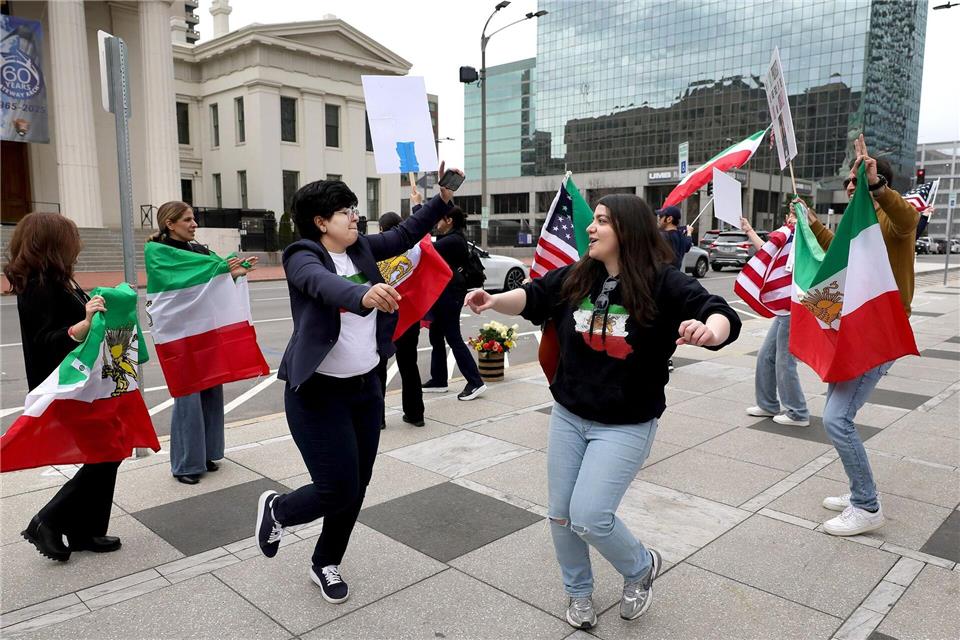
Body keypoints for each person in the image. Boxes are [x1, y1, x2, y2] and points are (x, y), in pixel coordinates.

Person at [465, 194, 741, 630]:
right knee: (560, 513)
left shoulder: (662, 282)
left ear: (627, 231)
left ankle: (640, 566)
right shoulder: (580, 275)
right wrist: (493, 301)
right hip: (570, 415)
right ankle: (578, 594)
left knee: (590, 516)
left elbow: (719, 312)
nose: (591, 229)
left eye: (601, 222)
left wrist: (709, 331)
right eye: (592, 221)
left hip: (626, 423)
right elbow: (535, 295)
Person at [253, 166, 460, 604]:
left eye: (353, 208)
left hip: (365, 390)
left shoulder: (363, 248)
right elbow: (319, 283)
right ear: (320, 222)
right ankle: (279, 509)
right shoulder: (301, 254)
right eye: (344, 211)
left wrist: (440, 199)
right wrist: (362, 295)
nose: (354, 217)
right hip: (317, 395)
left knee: (357, 485)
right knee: (336, 488)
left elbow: (405, 233)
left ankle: (325, 561)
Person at [798, 134, 919, 536]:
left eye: (856, 181)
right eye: (850, 182)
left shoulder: (888, 216)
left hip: (878, 329)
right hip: (853, 325)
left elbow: (907, 220)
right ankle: (857, 493)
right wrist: (812, 223)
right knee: (837, 412)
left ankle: (867, 505)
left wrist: (876, 187)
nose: (850, 187)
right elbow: (839, 253)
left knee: (837, 419)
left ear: (874, 180)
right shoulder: (857, 220)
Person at [3, 213, 124, 561]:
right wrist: (82, 327)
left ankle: (85, 530)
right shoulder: (39, 285)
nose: (79, 243)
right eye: (71, 237)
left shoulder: (58, 280)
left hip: (82, 382)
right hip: (66, 385)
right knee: (108, 451)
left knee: (107, 451)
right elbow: (45, 341)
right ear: (53, 243)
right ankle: (48, 520)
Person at [147, 201, 257, 485]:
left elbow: (212, 283)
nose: (194, 224)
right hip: (179, 335)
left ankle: (206, 454)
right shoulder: (159, 253)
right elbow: (177, 289)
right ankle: (185, 464)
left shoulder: (200, 250)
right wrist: (221, 269)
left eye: (193, 218)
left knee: (211, 389)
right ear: (170, 224)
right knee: (187, 397)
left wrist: (235, 272)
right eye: (187, 219)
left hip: (204, 331)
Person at [740, 213, 810, 427]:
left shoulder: (804, 236)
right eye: (789, 212)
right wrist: (750, 230)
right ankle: (768, 404)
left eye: (794, 211)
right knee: (766, 356)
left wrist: (801, 227)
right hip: (784, 309)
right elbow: (769, 251)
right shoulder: (789, 235)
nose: (790, 216)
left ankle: (798, 413)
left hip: (794, 307)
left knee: (784, 360)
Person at [421, 205, 487, 401]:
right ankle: (439, 379)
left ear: (449, 220)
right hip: (445, 293)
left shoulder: (453, 240)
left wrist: (419, 208)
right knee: (436, 335)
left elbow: (426, 249)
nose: (436, 223)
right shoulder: (451, 238)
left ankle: (475, 382)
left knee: (453, 337)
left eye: (439, 219)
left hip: (451, 294)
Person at [374, 211, 425, 429]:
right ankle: (415, 414)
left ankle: (378, 419)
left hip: (384, 316)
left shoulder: (377, 254)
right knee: (409, 366)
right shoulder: (415, 251)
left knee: (378, 368)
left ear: (383, 232)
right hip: (408, 316)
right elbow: (423, 235)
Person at [655, 205, 693, 270]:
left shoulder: (663, 236)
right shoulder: (682, 236)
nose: (658, 219)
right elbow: (688, 245)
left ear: (669, 219)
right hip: (675, 274)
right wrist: (689, 233)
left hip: (663, 276)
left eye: (661, 216)